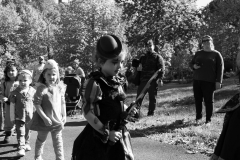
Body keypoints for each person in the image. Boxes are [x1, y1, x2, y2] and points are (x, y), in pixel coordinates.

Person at [71, 35, 137, 160]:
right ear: (101, 61)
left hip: (118, 135)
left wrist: (129, 110)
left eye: (121, 62)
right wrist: (106, 133)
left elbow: (117, 104)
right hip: (99, 139)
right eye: (114, 62)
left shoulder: (116, 82)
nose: (120, 66)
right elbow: (87, 112)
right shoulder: (94, 83)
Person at [30, 59, 67, 160]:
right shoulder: (41, 88)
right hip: (44, 121)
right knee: (41, 139)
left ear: (57, 75)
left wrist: (64, 115)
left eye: (54, 74)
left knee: (58, 142)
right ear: (44, 76)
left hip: (57, 120)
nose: (52, 77)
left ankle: (60, 158)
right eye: (49, 74)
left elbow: (63, 102)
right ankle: (37, 156)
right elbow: (37, 104)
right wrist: (45, 117)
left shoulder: (60, 88)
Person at [189, 35, 224, 125]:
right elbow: (191, 63)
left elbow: (220, 69)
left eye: (208, 41)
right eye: (204, 42)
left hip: (209, 81)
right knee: (198, 100)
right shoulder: (198, 53)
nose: (206, 43)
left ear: (211, 42)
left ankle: (208, 120)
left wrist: (218, 81)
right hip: (197, 80)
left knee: (208, 101)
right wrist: (194, 66)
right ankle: (198, 118)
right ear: (202, 44)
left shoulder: (216, 54)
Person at [9, 70, 36, 156]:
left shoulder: (33, 91)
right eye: (20, 80)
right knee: (20, 132)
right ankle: (21, 147)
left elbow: (36, 105)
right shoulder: (15, 92)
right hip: (18, 116)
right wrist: (12, 117)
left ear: (30, 81)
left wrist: (36, 115)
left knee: (28, 131)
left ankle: (27, 143)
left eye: (25, 80)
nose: (22, 82)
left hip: (30, 116)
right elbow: (12, 105)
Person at [136, 39, 165, 116]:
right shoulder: (142, 57)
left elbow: (161, 69)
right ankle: (136, 113)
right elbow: (138, 69)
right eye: (147, 46)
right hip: (143, 81)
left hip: (153, 81)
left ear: (153, 46)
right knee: (139, 98)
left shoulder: (158, 57)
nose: (149, 48)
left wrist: (160, 79)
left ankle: (151, 113)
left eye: (150, 46)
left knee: (152, 98)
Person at [0, 60, 19, 143]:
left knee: (20, 118)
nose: (10, 72)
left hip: (19, 104)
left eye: (13, 70)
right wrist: (3, 97)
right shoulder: (4, 83)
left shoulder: (20, 82)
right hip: (8, 104)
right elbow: (1, 93)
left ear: (17, 71)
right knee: (9, 119)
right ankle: (8, 133)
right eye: (8, 71)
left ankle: (21, 136)